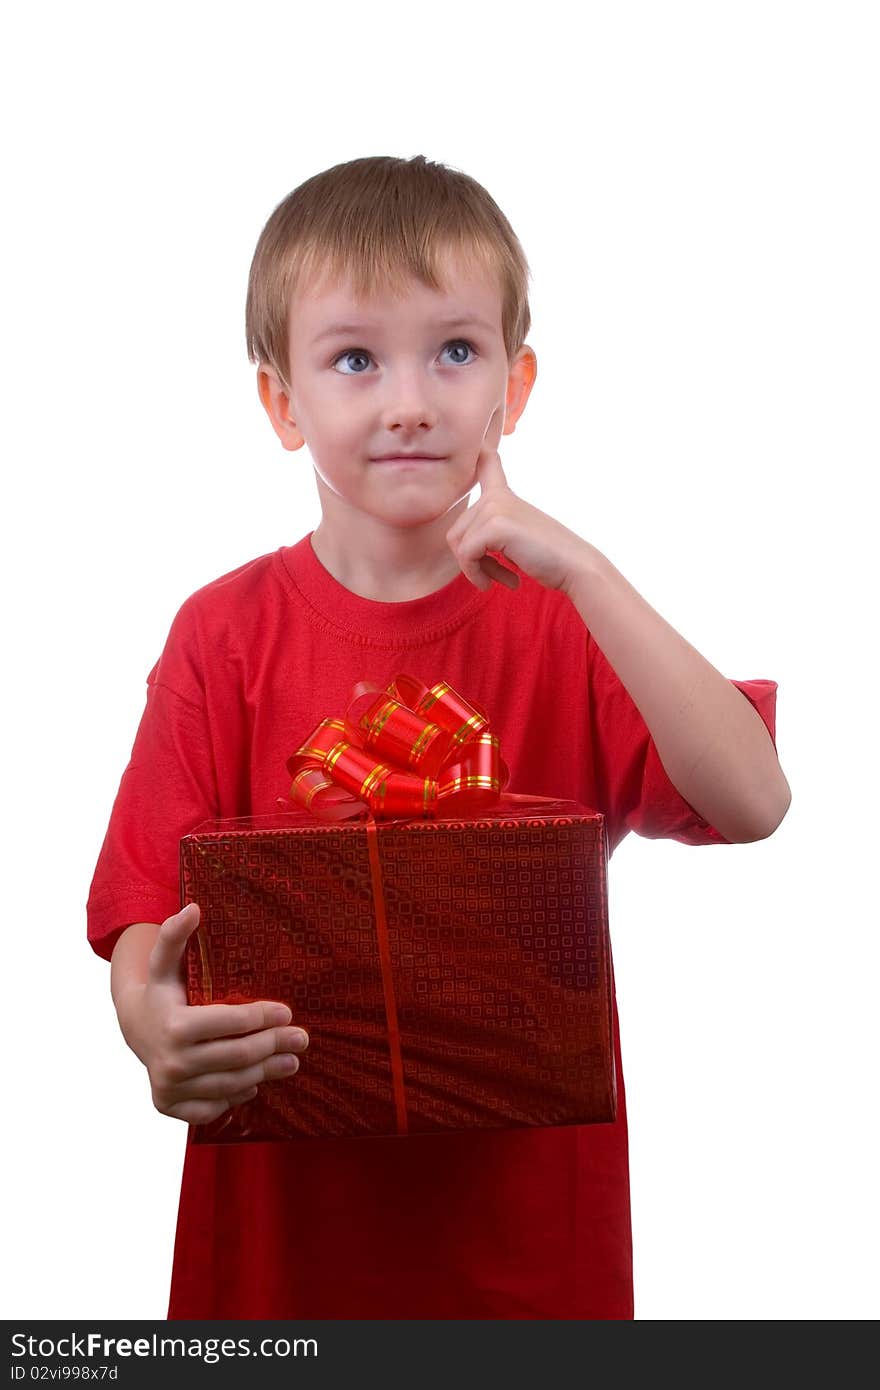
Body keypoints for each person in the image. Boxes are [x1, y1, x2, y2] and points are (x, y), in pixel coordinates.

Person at [86, 154, 790, 1320]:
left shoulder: (565, 622)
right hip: (284, 1253)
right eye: (355, 358)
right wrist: (147, 1025)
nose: (409, 399)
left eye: (453, 352)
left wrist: (587, 571)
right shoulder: (223, 634)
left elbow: (754, 799)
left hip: (528, 1253)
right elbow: (143, 919)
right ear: (281, 402)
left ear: (512, 388)